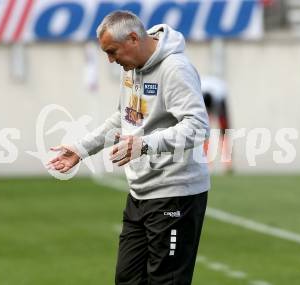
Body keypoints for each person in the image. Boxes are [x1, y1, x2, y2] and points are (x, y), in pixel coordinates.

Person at [48, 11, 210, 284]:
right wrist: (81, 149)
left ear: (133, 38)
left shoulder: (175, 69)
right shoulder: (132, 69)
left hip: (175, 194)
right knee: (128, 280)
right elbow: (123, 118)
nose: (110, 60)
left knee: (165, 280)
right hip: (139, 194)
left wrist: (144, 145)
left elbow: (198, 126)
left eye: (112, 52)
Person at [200, 75, 232, 173]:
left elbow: (221, 113)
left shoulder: (219, 95)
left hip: (221, 100)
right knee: (204, 132)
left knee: (224, 131)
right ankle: (206, 162)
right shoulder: (199, 92)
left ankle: (227, 162)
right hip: (205, 100)